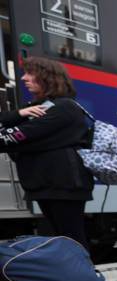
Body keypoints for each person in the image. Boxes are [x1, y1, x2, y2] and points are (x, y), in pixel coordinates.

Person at [0, 57, 92, 248]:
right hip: (44, 183)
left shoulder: (64, 108)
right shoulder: (34, 109)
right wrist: (19, 114)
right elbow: (7, 127)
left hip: (62, 184)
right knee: (59, 240)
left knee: (70, 239)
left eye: (30, 73)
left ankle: (84, 276)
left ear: (48, 77)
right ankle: (70, 275)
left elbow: (17, 136)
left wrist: (14, 133)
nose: (24, 78)